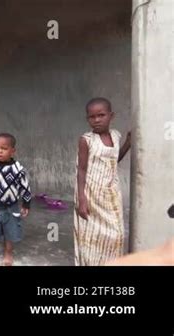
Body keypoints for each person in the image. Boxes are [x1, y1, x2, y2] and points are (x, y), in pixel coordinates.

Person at [74, 97, 131, 265]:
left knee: (116, 234)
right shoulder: (86, 140)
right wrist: (82, 199)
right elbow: (81, 170)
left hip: (111, 193)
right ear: (87, 119)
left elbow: (114, 159)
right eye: (92, 117)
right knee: (91, 236)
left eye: (101, 115)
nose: (97, 120)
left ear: (111, 116)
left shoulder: (115, 135)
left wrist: (128, 142)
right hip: (90, 194)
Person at [0, 133, 32, 266]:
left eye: (4, 148)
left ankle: (8, 252)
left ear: (12, 151)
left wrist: (26, 203)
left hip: (11, 207)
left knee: (10, 230)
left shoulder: (17, 169)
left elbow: (25, 187)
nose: (0, 151)